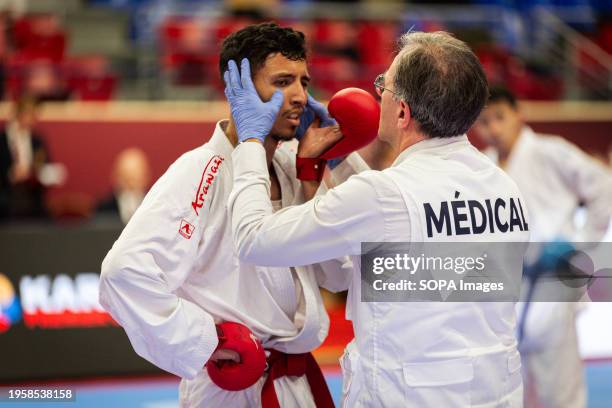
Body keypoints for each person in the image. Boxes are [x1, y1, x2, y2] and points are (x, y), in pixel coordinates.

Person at [226, 31, 530, 407]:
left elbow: (254, 239)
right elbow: (398, 233)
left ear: (402, 112)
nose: (377, 95)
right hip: (496, 391)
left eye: (383, 85)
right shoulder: (505, 187)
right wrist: (341, 160)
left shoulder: (382, 197)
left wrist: (251, 143)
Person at [99, 22, 361, 407]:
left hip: (297, 381)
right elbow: (122, 273)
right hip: (234, 386)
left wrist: (323, 171)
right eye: (282, 81)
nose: (300, 97)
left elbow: (338, 275)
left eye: (304, 83)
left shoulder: (292, 166)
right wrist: (207, 340)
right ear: (239, 92)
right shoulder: (200, 170)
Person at [474, 86, 612, 408]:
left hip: (554, 274)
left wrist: (580, 244)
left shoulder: (551, 151)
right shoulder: (482, 166)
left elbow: (604, 186)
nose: (493, 128)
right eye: (483, 122)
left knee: (558, 388)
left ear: (518, 115)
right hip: (509, 283)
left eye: (499, 117)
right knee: (512, 389)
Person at [0, 95, 48, 220]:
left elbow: (46, 163)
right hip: (6, 192)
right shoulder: (2, 140)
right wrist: (11, 174)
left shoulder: (37, 141)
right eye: (29, 115)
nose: (32, 120)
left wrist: (32, 172)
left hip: (32, 193)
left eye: (34, 116)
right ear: (18, 114)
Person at [97, 147, 152, 224]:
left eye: (135, 177)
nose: (130, 184)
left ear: (146, 177)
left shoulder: (153, 206)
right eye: (126, 177)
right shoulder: (104, 208)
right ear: (115, 177)